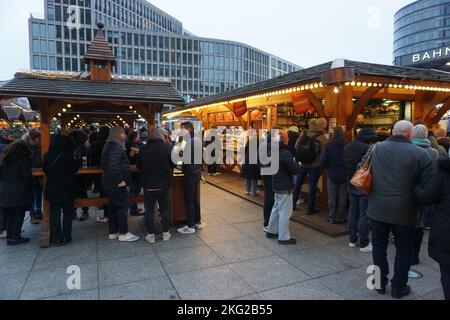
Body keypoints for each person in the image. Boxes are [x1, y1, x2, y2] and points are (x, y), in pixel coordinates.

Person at [367, 120, 434, 299]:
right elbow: (427, 186)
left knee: (379, 247)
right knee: (404, 249)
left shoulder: (376, 148)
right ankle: (399, 286)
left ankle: (379, 283)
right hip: (406, 210)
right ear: (410, 134)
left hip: (377, 208)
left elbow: (362, 170)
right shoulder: (421, 155)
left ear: (392, 131)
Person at [415, 156, 450, 300]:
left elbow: (427, 197)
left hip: (446, 230)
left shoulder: (444, 171)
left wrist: (418, 187)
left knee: (447, 274)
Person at [137, 128, 175, 244]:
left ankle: (151, 235)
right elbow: (173, 164)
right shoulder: (168, 147)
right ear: (161, 136)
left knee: (149, 211)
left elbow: (139, 166)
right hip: (164, 185)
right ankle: (165, 233)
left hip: (148, 186)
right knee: (164, 210)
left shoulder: (143, 149)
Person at [101, 127, 140, 242]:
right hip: (116, 184)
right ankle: (123, 233)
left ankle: (113, 232)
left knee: (113, 207)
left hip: (109, 182)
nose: (125, 136)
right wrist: (120, 181)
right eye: (123, 134)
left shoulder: (109, 145)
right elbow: (113, 166)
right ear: (118, 135)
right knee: (122, 207)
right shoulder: (115, 147)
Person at [343, 127, 377, 253]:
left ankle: (352, 239)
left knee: (353, 212)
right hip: (362, 184)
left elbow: (343, 164)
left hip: (350, 182)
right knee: (364, 215)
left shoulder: (348, 146)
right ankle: (364, 243)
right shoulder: (367, 148)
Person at [266, 128, 301, 245]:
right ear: (285, 139)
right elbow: (294, 169)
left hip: (276, 183)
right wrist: (298, 164)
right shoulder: (285, 153)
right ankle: (284, 237)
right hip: (284, 184)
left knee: (276, 208)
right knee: (285, 212)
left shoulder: (272, 151)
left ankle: (271, 230)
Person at [43, 134, 79, 246]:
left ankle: (56, 237)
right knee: (68, 213)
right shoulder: (69, 156)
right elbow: (75, 169)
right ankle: (66, 236)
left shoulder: (48, 155)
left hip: (53, 188)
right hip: (68, 188)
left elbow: (45, 170)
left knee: (55, 213)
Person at [410, 124, 439, 266]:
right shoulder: (434, 152)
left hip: (408, 190)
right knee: (420, 223)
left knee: (407, 222)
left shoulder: (409, 149)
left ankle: (406, 252)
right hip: (425, 192)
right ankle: (415, 255)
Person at [0, 140, 33, 245]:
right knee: (19, 214)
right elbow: (26, 176)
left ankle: (10, 236)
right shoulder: (24, 159)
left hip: (6, 189)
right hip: (19, 189)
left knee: (10, 214)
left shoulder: (5, 158)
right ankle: (16, 236)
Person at [293, 118, 328, 214]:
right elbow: (324, 153)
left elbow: (296, 146)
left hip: (303, 163)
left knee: (298, 184)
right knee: (313, 186)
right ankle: (310, 209)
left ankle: (293, 204)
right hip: (315, 165)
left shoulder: (304, 133)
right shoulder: (322, 138)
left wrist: (303, 156)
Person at [177, 122, 203, 234]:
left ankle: (190, 225)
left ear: (188, 129)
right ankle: (197, 221)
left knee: (189, 199)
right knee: (195, 198)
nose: (180, 131)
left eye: (182, 129)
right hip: (196, 171)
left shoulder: (186, 141)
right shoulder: (197, 139)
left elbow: (179, 156)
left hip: (189, 172)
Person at [320, 126, 348, 225]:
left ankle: (332, 216)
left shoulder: (328, 145)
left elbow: (323, 160)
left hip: (331, 173)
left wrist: (327, 167)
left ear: (334, 134)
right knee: (342, 196)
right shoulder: (348, 145)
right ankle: (341, 216)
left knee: (332, 196)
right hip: (344, 174)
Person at [259, 126, 282, 232]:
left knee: (270, 197)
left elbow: (259, 161)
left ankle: (268, 222)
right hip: (272, 173)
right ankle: (268, 223)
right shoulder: (275, 146)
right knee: (272, 198)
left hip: (266, 173)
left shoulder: (264, 144)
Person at [69, 129, 90, 221]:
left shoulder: (82, 147)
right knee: (77, 192)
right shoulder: (77, 146)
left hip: (81, 173)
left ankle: (84, 211)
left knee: (81, 192)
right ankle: (76, 211)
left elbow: (82, 159)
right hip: (77, 173)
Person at [90, 126, 110, 223]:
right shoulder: (111, 143)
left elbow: (92, 156)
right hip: (110, 171)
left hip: (98, 170)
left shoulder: (97, 143)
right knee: (110, 192)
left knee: (103, 191)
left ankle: (106, 213)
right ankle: (109, 213)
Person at [25, 129, 43, 224]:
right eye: (35, 138)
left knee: (39, 193)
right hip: (29, 173)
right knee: (32, 195)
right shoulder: (25, 147)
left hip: (39, 173)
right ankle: (32, 214)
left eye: (38, 138)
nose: (37, 140)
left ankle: (39, 211)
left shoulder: (41, 146)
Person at [0, 129, 15, 239]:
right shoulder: (3, 147)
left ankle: (6, 228)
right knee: (4, 206)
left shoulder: (5, 145)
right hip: (3, 179)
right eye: (11, 136)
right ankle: (2, 229)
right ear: (6, 136)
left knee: (5, 206)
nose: (12, 137)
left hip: (4, 179)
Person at [126, 131, 144, 216]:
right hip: (135, 171)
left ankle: (133, 207)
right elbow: (131, 158)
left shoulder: (129, 144)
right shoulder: (133, 147)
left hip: (133, 171)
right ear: (135, 137)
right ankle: (133, 209)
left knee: (133, 190)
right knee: (134, 190)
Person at [241, 129, 261, 196]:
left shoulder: (248, 142)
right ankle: (254, 191)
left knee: (248, 176)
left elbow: (245, 152)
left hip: (248, 161)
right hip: (255, 162)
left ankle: (247, 190)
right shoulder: (259, 142)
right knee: (255, 177)